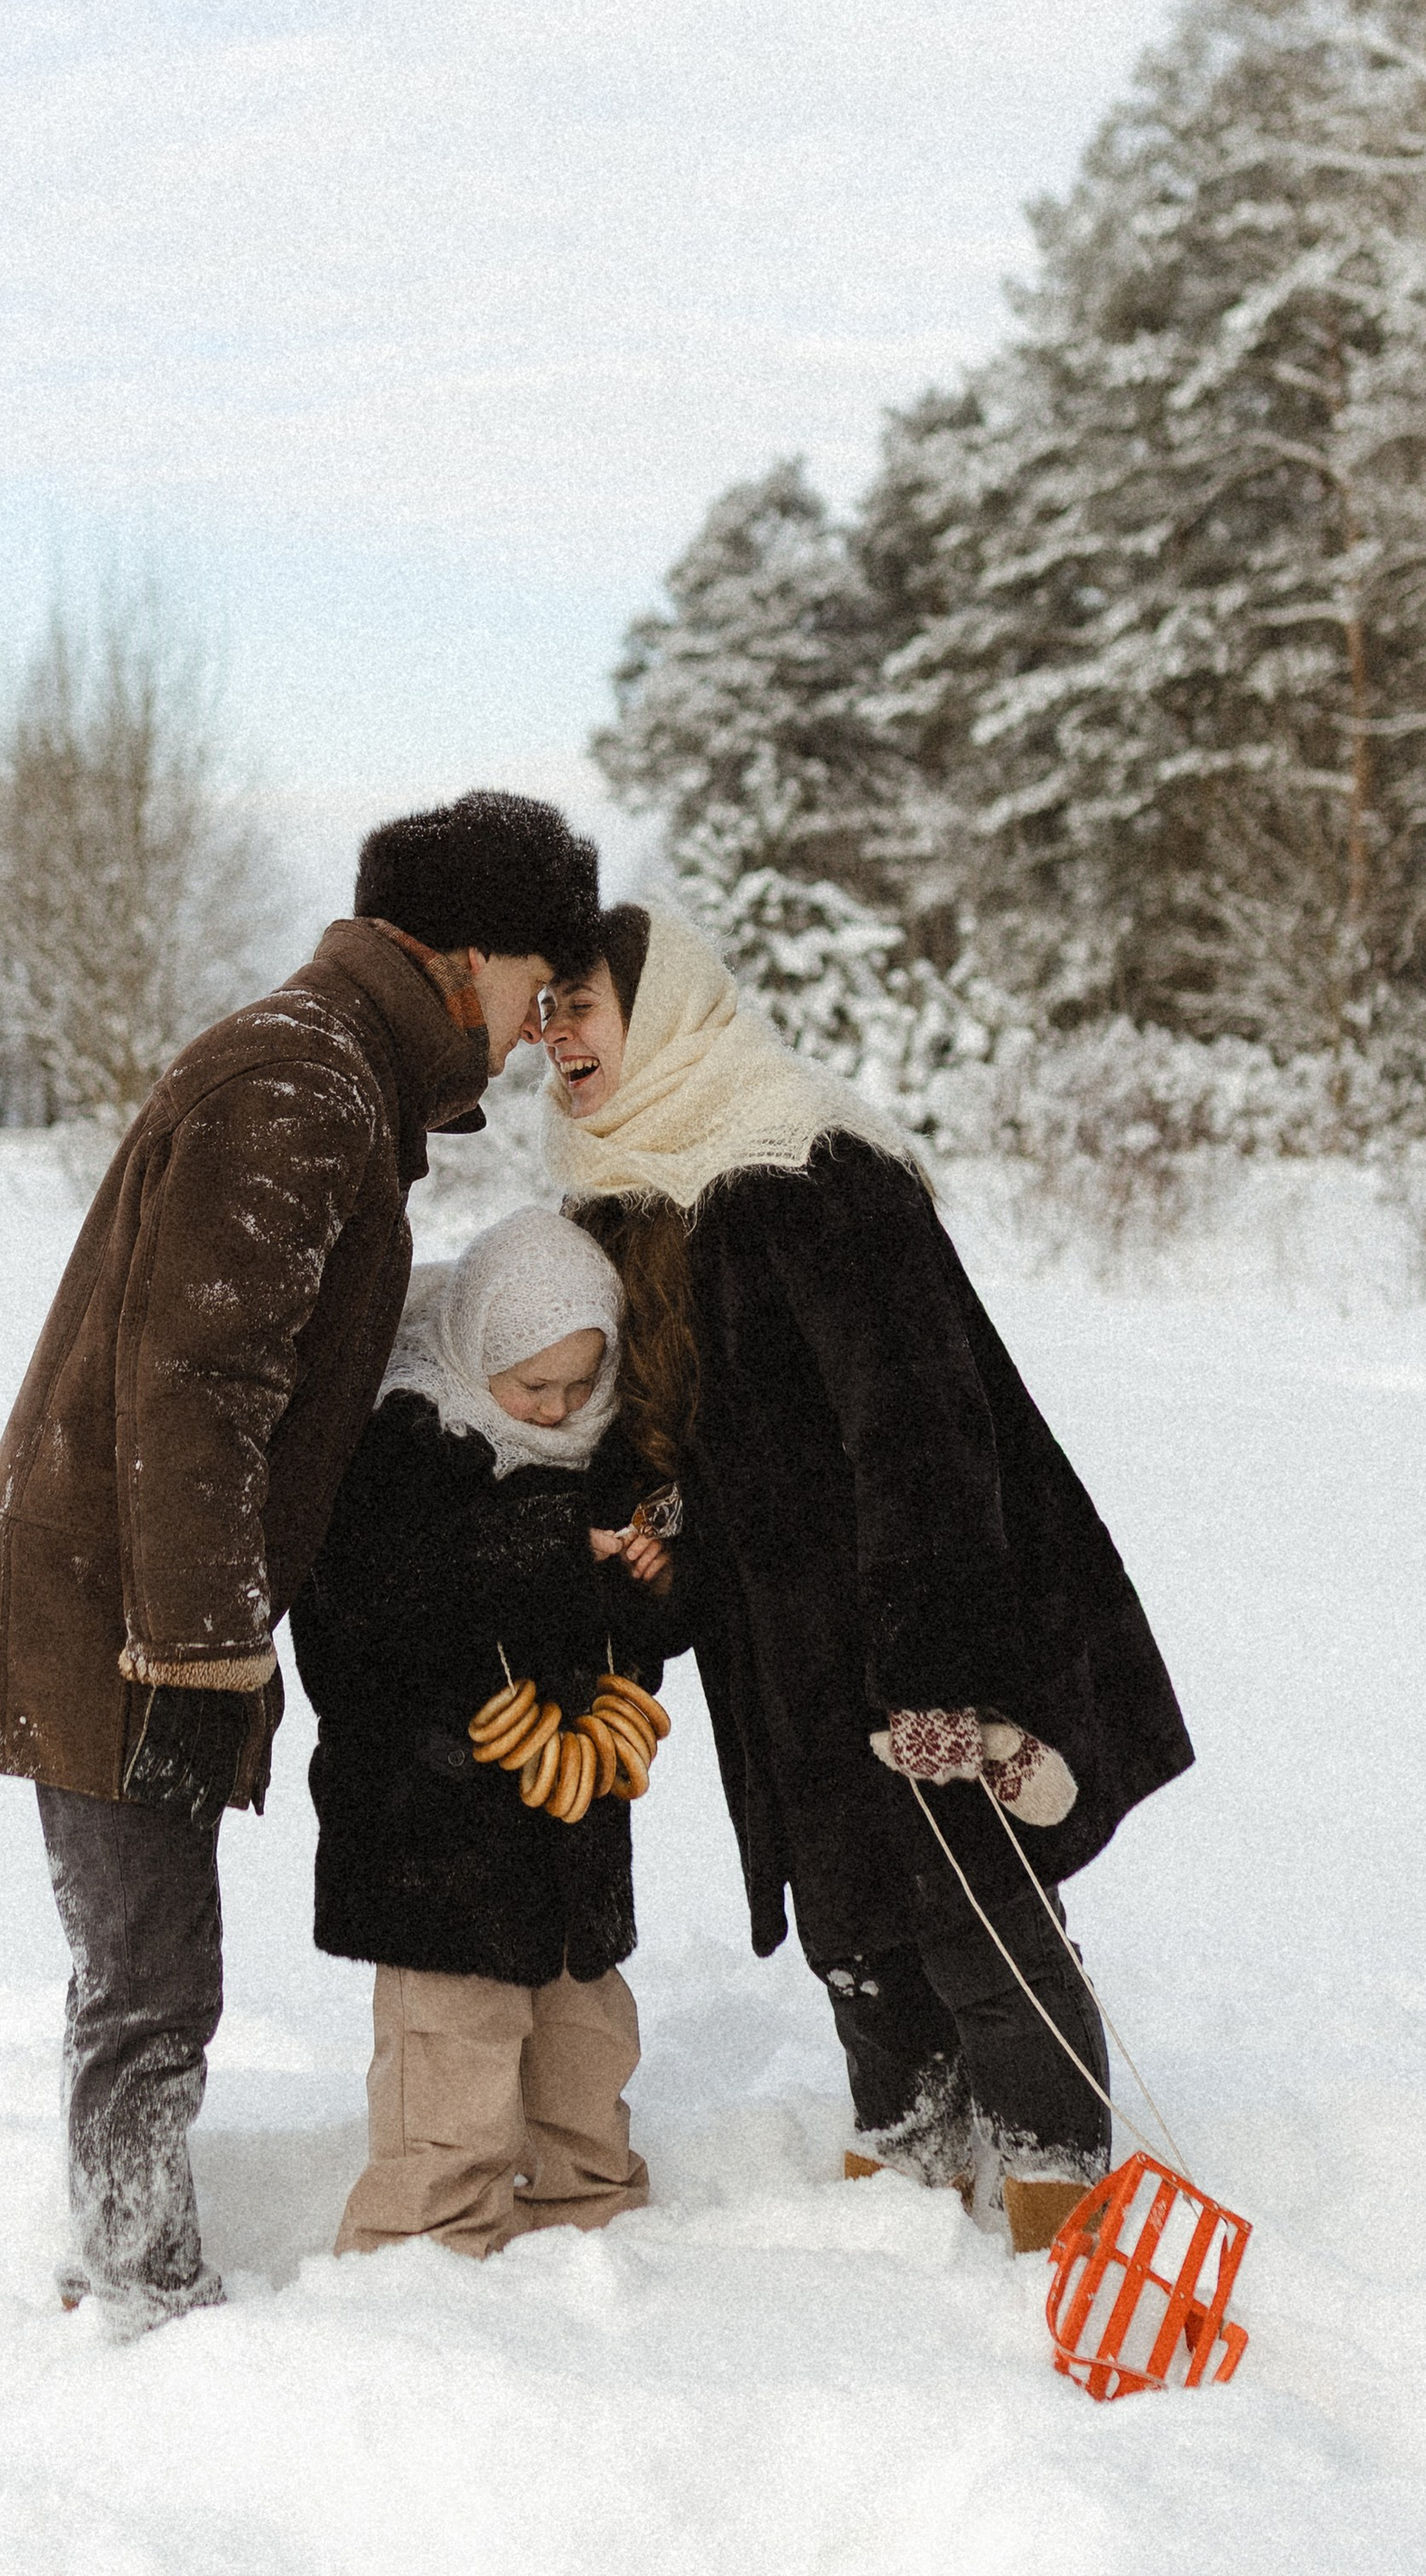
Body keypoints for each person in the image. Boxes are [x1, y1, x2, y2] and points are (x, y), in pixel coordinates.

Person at [0, 790, 602, 2332]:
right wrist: (201, 1643)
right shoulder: (302, 1083)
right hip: (121, 1602)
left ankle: (125, 2264)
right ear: (467, 955)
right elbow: (198, 1380)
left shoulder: (333, 1075)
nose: (527, 1031)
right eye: (530, 988)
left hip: (141, 1591)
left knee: (147, 1964)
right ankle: (135, 2285)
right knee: (150, 1976)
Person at [537, 904, 1192, 2255]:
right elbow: (656, 1429)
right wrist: (650, 1542)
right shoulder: (618, 1187)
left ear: (660, 1010)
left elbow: (920, 1418)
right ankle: (909, 2159)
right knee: (849, 1916)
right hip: (778, 1640)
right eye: (542, 1012)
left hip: (923, 1599)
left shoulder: (806, 1156)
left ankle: (1059, 2192)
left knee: (976, 1908)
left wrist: (937, 1662)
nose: (556, 1037)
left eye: (582, 1003)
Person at [291, 1207, 683, 2259]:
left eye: (576, 1387)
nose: (555, 1409)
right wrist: (555, 1546)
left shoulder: (607, 1461)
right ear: (476, 1351)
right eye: (531, 1386)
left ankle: (589, 2231)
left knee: (584, 2054)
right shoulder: (405, 1445)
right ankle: (422, 2259)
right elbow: (376, 1602)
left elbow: (640, 1641)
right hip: (431, 1838)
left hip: (569, 1830)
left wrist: (649, 1589)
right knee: (451, 2066)